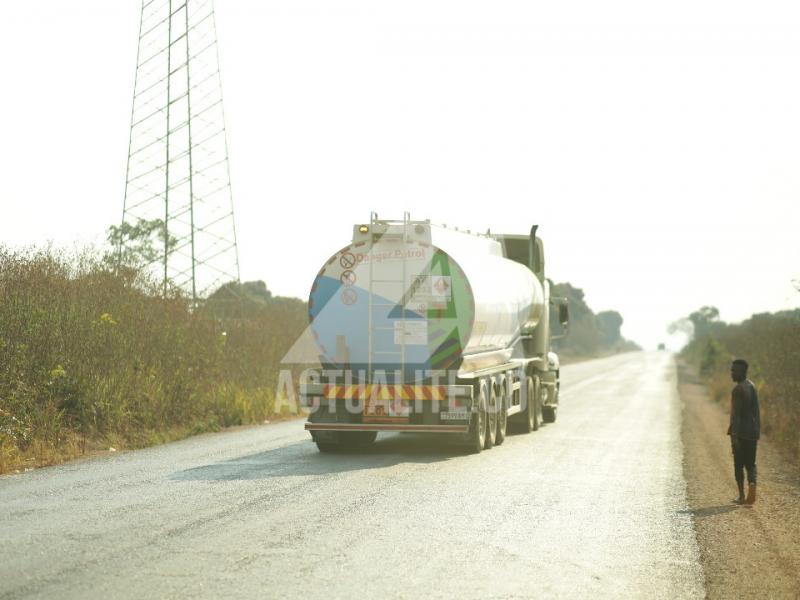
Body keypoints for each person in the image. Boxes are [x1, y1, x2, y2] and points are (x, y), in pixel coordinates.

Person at [727, 359, 760, 505]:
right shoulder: (752, 386)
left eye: (734, 370)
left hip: (740, 433)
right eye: (732, 370)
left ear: (742, 372)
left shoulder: (738, 389)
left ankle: (741, 496)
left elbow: (737, 415)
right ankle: (752, 483)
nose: (732, 373)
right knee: (751, 463)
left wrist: (734, 435)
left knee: (738, 464)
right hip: (753, 432)